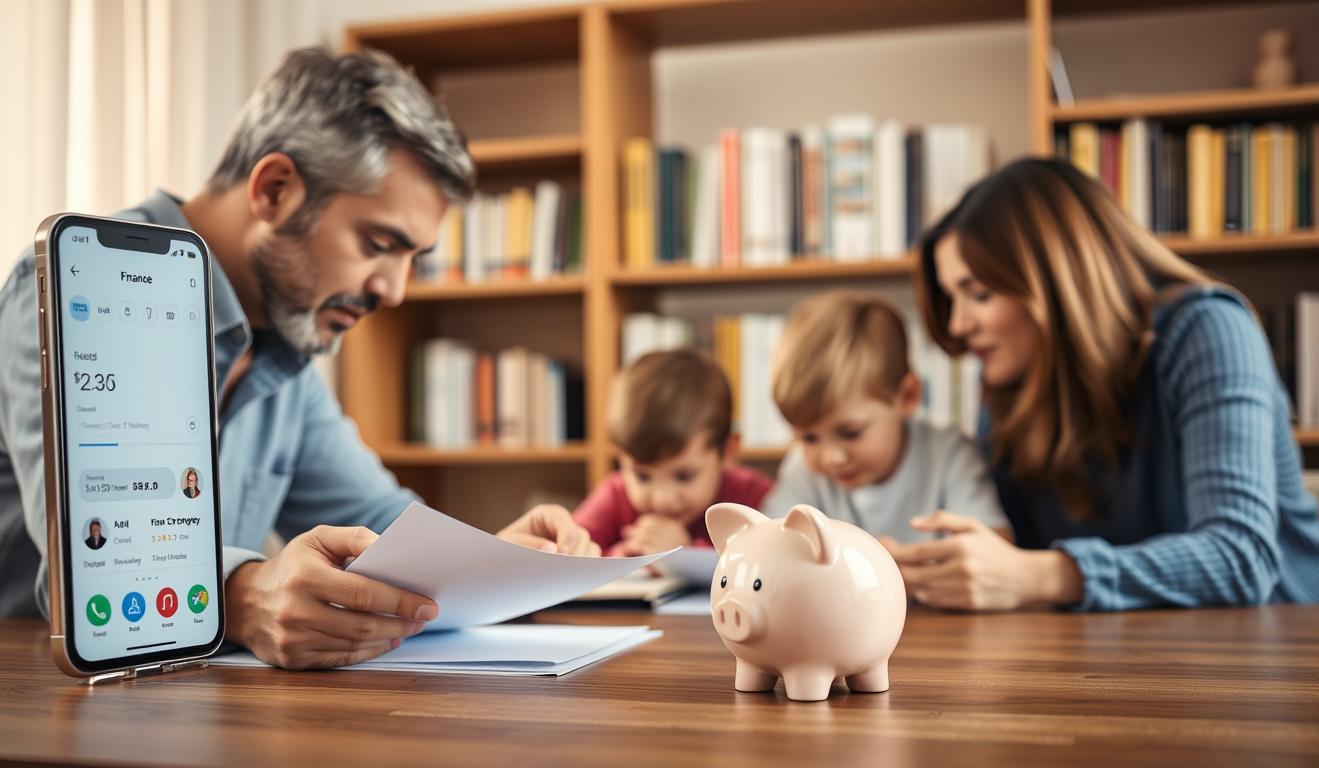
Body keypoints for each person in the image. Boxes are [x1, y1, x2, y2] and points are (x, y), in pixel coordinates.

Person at [0, 47, 598, 669]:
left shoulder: (284, 350)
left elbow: (378, 523)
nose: (392, 291)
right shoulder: (79, 288)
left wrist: (492, 563)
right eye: (378, 244)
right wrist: (242, 594)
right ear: (275, 189)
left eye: (412, 259)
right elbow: (92, 562)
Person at [897, 156, 1319, 611]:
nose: (957, 324)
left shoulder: (1208, 329)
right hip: (1133, 657)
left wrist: (1045, 574)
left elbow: (1240, 557)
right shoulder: (1009, 390)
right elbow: (1011, 564)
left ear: (1057, 278)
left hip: (1296, 642)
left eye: (979, 294)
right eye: (951, 297)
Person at [762, 291, 1010, 550]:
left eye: (850, 433)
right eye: (809, 437)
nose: (831, 457)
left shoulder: (948, 454)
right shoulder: (802, 468)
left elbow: (994, 549)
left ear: (907, 397)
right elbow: (768, 545)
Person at [570, 350, 772, 556]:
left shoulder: (753, 498)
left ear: (728, 452)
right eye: (642, 476)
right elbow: (569, 555)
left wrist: (685, 554)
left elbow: (773, 563)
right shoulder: (614, 495)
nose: (661, 499)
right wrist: (621, 559)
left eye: (683, 476)